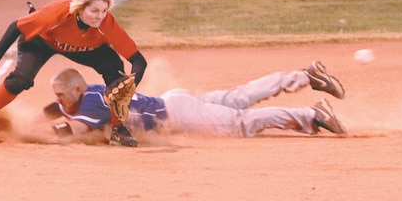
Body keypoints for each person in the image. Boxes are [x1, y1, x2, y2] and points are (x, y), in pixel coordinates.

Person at [0, 0, 147, 147]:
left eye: (104, 11)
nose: (100, 16)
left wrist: (129, 86)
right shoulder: (56, 14)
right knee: (21, 79)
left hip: (83, 47)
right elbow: (16, 26)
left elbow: (139, 61)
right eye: (94, 11)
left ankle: (118, 130)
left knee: (114, 71)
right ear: (80, 8)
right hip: (42, 41)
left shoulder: (106, 24)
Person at [47, 61, 347, 141]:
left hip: (176, 115)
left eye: (61, 94)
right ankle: (306, 76)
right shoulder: (91, 92)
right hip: (174, 101)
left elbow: (73, 131)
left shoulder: (89, 107)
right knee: (238, 98)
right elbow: (56, 110)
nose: (57, 100)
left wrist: (32, 134)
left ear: (76, 91)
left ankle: (311, 115)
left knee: (241, 124)